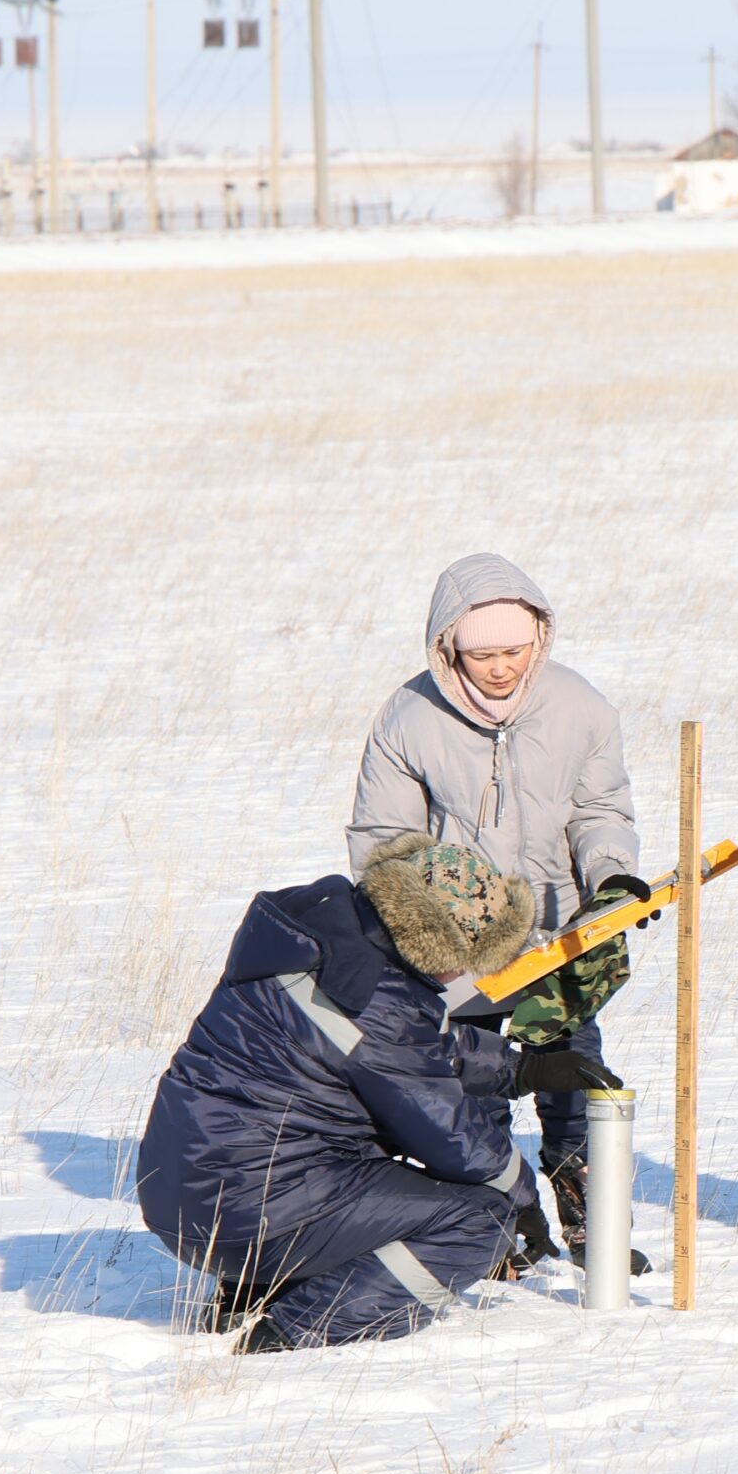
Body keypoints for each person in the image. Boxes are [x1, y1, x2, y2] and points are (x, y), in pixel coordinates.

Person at [135, 834, 619, 1351]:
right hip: (245, 1212)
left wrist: (524, 1070)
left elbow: (414, 1046)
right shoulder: (372, 995)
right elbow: (447, 1131)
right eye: (465, 956)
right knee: (477, 1220)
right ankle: (295, 1329)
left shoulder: (326, 943)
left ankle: (253, 1290)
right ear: (432, 938)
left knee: (363, 1162)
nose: (463, 973)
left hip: (187, 1196)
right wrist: (519, 1196)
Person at [347, 554, 647, 1263]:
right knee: (470, 1087)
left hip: (560, 932)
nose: (501, 668)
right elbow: (383, 839)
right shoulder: (408, 717)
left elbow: (601, 809)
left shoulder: (579, 706)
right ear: (449, 647)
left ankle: (590, 1219)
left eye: (514, 650)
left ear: (537, 638)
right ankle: (494, 1227)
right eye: (482, 655)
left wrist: (611, 879)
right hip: (458, 946)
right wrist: (429, 931)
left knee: (573, 1074)